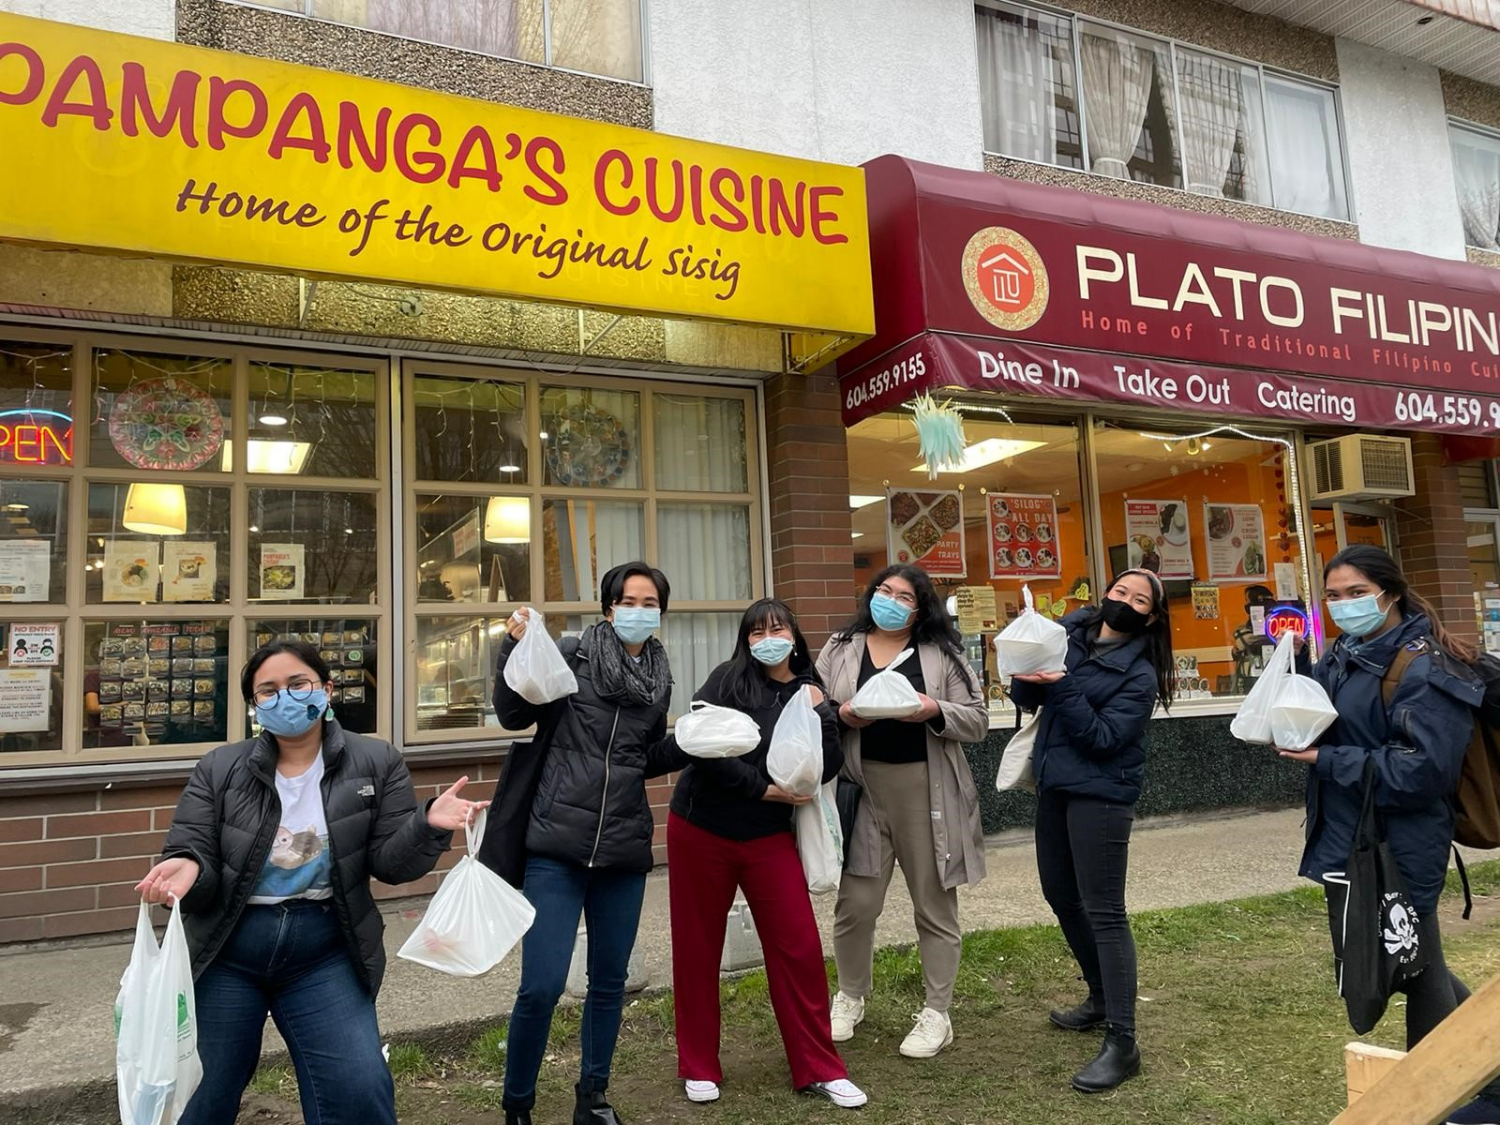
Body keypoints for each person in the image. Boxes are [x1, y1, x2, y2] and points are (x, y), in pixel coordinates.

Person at [135, 640, 483, 1125]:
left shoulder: (375, 761)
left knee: (359, 1093)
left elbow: (391, 864)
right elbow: (193, 851)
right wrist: (189, 869)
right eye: (268, 691)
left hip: (324, 950)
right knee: (199, 1096)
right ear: (255, 706)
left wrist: (426, 825)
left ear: (327, 689)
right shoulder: (219, 768)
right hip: (227, 952)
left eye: (298, 684)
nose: (286, 698)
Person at [1281, 545, 1500, 1124]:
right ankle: (1488, 1080)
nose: (1343, 606)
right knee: (1409, 959)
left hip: (1402, 840)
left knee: (1414, 965)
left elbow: (1420, 772)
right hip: (1352, 833)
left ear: (1391, 593)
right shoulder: (1345, 653)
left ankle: (1431, 1101)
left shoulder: (1428, 666)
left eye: (1357, 593)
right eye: (1332, 596)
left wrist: (1324, 760)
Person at [480, 562, 686, 1125]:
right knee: (541, 986)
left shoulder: (659, 677)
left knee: (610, 982)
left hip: (622, 847)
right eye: (628, 599)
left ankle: (592, 1098)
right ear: (607, 608)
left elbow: (639, 759)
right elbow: (513, 712)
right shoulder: (571, 654)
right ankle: (517, 1104)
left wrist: (689, 743)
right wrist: (511, 649)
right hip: (555, 844)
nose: (639, 609)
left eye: (650, 601)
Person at [668, 598, 866, 1109]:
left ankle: (819, 1067)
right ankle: (698, 1065)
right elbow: (702, 749)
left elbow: (826, 767)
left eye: (777, 629)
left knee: (798, 947)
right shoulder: (725, 680)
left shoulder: (808, 690)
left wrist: (822, 710)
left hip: (768, 839)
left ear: (796, 637)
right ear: (745, 640)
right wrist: (763, 790)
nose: (767, 639)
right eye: (756, 632)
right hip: (701, 828)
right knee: (697, 949)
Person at [1009, 568, 1177, 1094]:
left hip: (1103, 794)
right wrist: (1028, 661)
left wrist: (1060, 686)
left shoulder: (1140, 674)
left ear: (1152, 616)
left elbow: (1104, 738)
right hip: (1055, 785)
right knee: (1061, 895)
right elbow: (1028, 699)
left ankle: (1123, 1041)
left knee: (1104, 909)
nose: (1125, 601)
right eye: (1120, 591)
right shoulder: (1070, 638)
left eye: (1139, 599)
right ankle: (1100, 996)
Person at [817, 564, 988, 1060]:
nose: (890, 600)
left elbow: (977, 719)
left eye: (903, 596)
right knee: (856, 902)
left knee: (934, 904)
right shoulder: (841, 647)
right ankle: (850, 995)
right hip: (862, 787)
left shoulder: (943, 653)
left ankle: (938, 1012)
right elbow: (814, 709)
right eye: (883, 591)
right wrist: (842, 714)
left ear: (921, 608)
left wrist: (932, 709)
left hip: (926, 791)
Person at [1231, 584, 1276, 693]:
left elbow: (1242, 641)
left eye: (1248, 600)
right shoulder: (1249, 624)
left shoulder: (1275, 619)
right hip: (1252, 677)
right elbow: (1239, 642)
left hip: (1273, 676)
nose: (1246, 604)